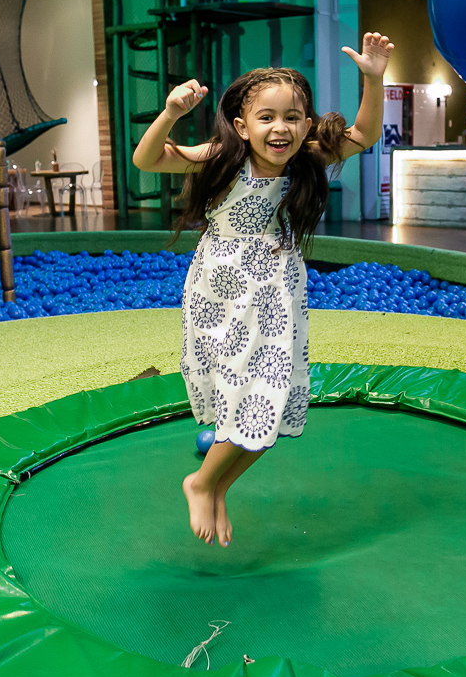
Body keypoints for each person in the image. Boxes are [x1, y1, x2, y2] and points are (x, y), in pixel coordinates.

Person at [133, 33, 394, 547]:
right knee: (244, 394)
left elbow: (364, 132)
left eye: (293, 117)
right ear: (242, 126)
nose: (281, 128)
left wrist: (374, 76)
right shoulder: (220, 156)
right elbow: (147, 160)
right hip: (222, 290)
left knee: (269, 404)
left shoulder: (305, 160)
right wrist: (169, 113)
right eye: (267, 117)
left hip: (276, 288)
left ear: (307, 125)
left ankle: (213, 484)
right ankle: (203, 482)